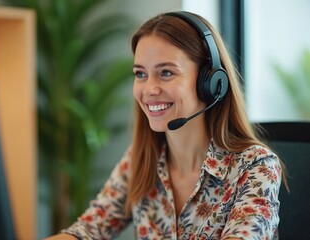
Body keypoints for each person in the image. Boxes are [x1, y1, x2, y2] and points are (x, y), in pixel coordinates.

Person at [45, 11, 285, 240]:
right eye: (140, 74)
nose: (149, 89)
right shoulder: (142, 159)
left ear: (211, 82)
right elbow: (87, 231)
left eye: (166, 73)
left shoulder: (255, 167)